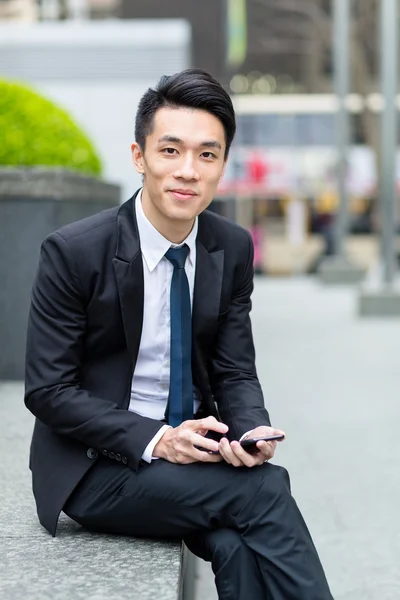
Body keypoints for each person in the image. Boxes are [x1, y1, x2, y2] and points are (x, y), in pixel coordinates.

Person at [25, 69, 333, 600]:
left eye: (207, 155)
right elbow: (48, 390)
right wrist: (158, 440)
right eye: (170, 151)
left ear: (222, 165)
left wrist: (251, 432)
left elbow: (234, 366)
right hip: (98, 466)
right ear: (139, 156)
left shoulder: (230, 247)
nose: (187, 171)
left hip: (195, 453)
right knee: (265, 493)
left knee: (235, 542)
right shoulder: (74, 252)